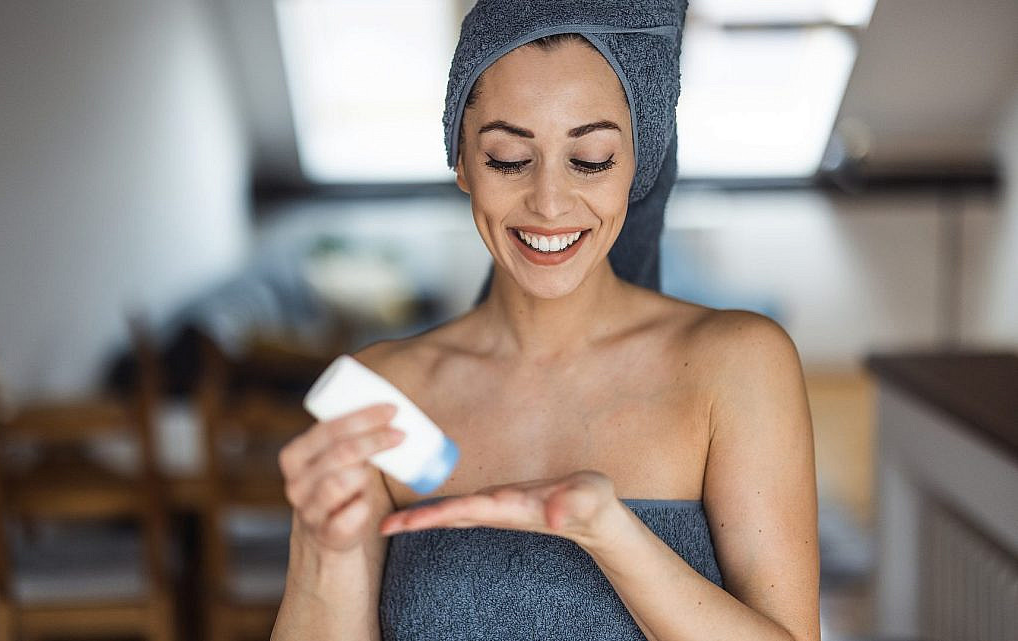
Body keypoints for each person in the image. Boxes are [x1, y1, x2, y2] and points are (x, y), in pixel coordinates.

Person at [271, 2, 820, 640]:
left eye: (589, 159)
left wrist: (613, 536)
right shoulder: (382, 397)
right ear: (462, 162)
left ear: (636, 162)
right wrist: (325, 554)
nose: (550, 204)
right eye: (508, 158)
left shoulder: (738, 365)